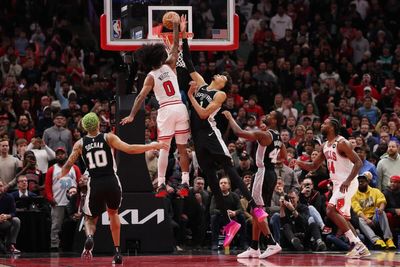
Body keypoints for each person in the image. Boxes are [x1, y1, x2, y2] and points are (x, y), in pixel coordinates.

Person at [181, 22, 267, 248]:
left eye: (223, 77)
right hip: (198, 138)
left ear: (223, 85)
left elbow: (201, 115)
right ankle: (230, 221)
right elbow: (188, 61)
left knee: (229, 170)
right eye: (219, 74)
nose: (219, 75)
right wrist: (182, 37)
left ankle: (254, 205)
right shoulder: (201, 84)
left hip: (210, 134)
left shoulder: (218, 95)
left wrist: (190, 97)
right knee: (211, 179)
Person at [58, 112, 167, 264]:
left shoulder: (80, 144)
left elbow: (68, 165)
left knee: (90, 218)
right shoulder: (108, 137)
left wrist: (60, 176)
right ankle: (117, 251)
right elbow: (130, 149)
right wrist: (152, 145)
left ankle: (90, 238)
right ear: (98, 124)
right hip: (111, 180)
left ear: (84, 127)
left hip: (95, 182)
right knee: (113, 214)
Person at [120, 15, 190, 198]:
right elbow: (175, 45)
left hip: (166, 110)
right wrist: (177, 27)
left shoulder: (150, 76)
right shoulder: (171, 64)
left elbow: (141, 97)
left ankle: (160, 185)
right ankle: (185, 182)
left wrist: (132, 115)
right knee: (182, 149)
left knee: (163, 148)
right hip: (181, 108)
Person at [296, 118, 370, 258]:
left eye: (325, 123)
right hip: (337, 184)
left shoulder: (342, 143)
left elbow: (358, 162)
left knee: (330, 210)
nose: (322, 125)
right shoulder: (325, 145)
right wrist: (298, 162)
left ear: (332, 127)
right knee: (343, 218)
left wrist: (348, 181)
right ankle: (360, 246)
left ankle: (356, 244)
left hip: (347, 182)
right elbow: (313, 166)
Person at [223, 110, 285, 258]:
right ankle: (254, 247)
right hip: (271, 173)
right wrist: (272, 162)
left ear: (275, 121)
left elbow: (239, 132)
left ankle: (271, 243)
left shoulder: (265, 135)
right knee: (255, 210)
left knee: (257, 210)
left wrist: (231, 117)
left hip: (263, 173)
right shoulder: (278, 137)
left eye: (270, 115)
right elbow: (283, 156)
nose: (266, 115)